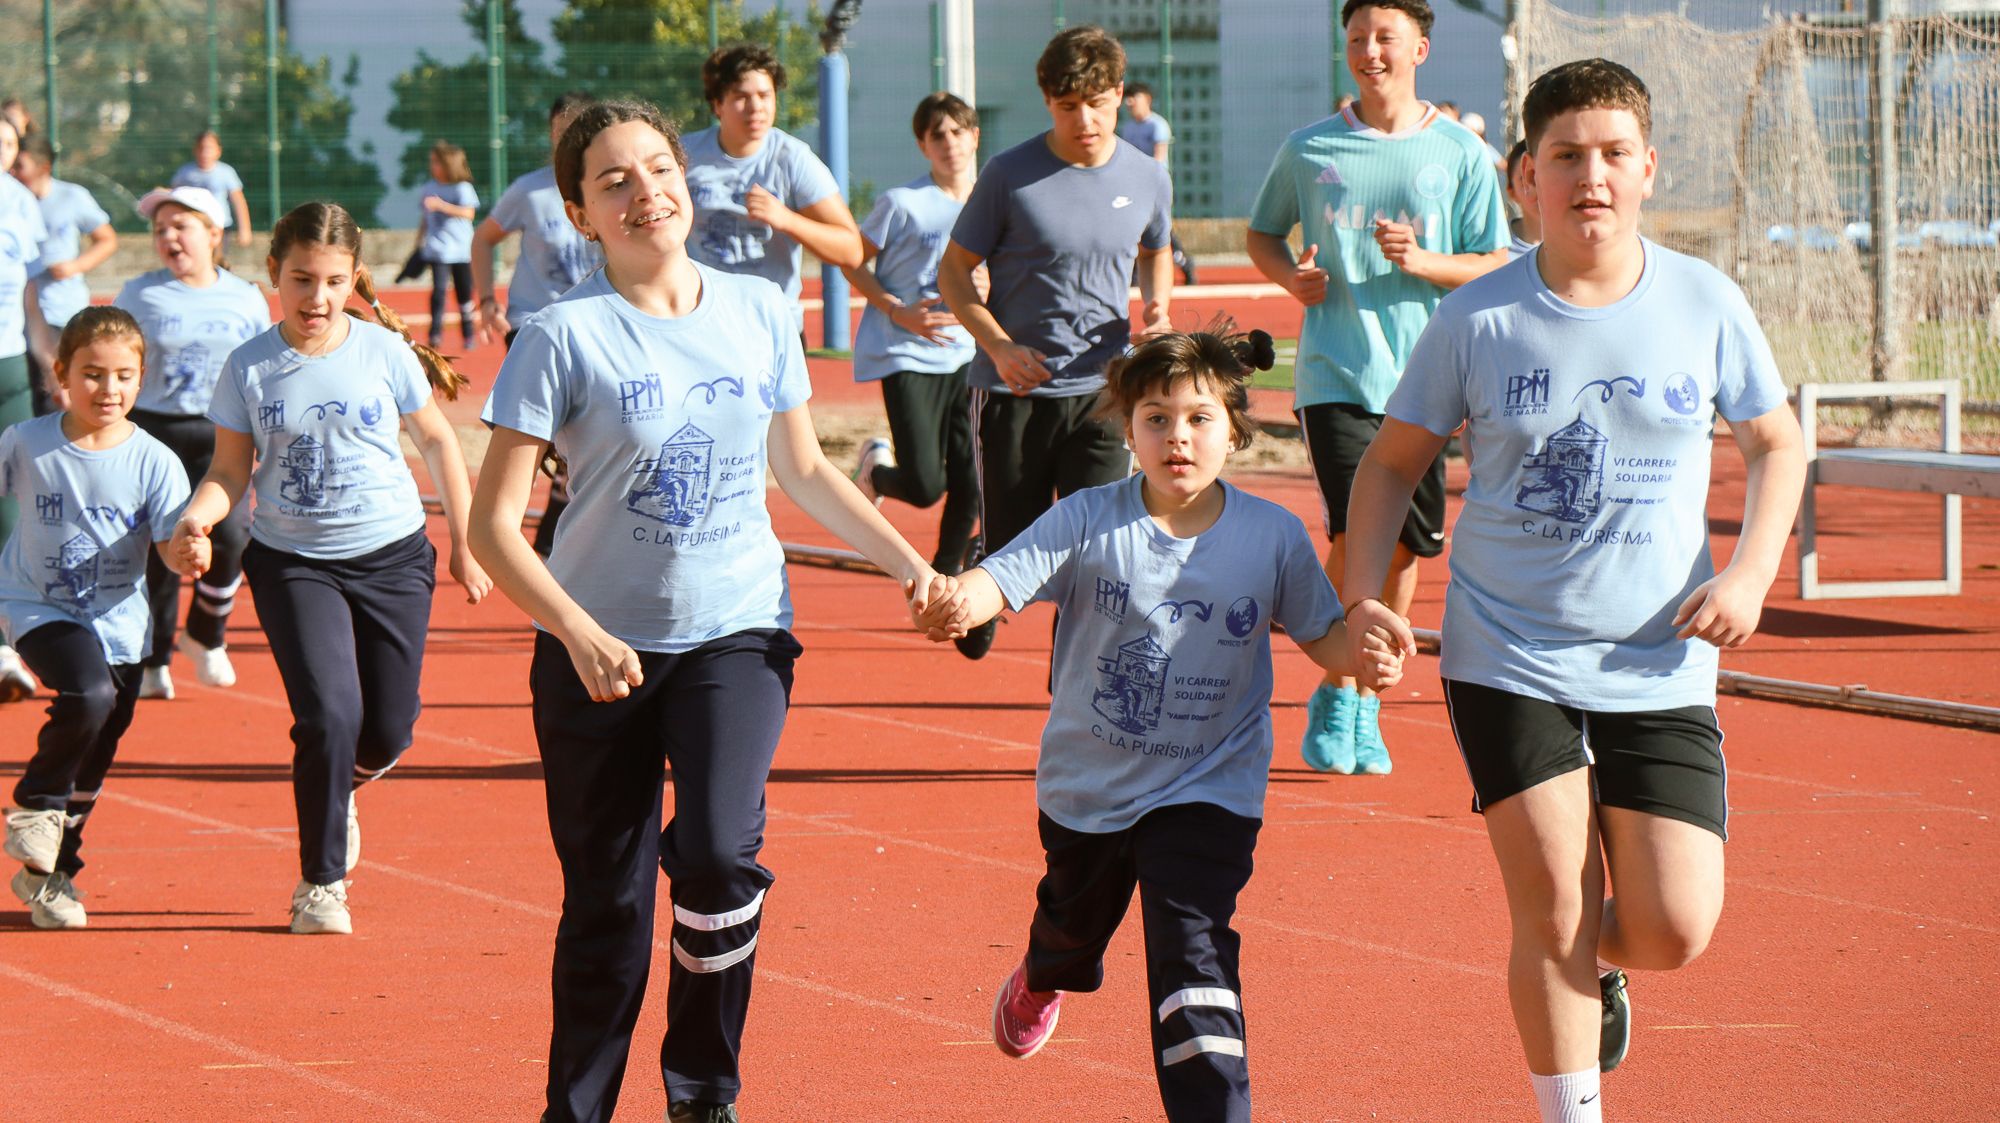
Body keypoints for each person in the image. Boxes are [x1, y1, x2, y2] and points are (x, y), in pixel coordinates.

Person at [1342, 59, 1805, 1122]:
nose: (1586, 176)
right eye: (1562, 158)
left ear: (1644, 169)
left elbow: (1775, 442)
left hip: (1660, 655)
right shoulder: (1479, 318)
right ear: (1523, 181)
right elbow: (1388, 463)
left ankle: (1603, 966)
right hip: (1507, 648)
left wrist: (1747, 571)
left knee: (1672, 926)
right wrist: (1364, 595)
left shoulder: (1704, 299)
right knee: (1551, 902)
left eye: (1608, 155)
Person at [468, 100, 949, 1123]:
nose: (647, 192)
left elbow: (805, 470)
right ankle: (578, 1108)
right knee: (607, 904)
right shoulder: (559, 336)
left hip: (736, 629)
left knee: (722, 854)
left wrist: (912, 565)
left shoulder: (758, 309)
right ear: (578, 215)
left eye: (658, 169)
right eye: (614, 182)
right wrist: (576, 630)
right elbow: (493, 529)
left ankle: (701, 1087)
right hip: (595, 652)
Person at [914, 325, 1404, 1122]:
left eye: (1199, 417)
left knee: (1196, 949)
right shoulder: (1086, 520)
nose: (1178, 435)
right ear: (1128, 428)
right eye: (1156, 417)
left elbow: (1328, 637)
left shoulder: (1271, 535)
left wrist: (1365, 652)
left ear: (1236, 430)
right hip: (1089, 787)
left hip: (1211, 785)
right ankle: (1042, 974)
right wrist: (952, 600)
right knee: (1071, 932)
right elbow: (995, 583)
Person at [168, 201, 491, 936]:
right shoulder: (249, 365)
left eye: (333, 281)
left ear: (354, 279)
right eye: (301, 279)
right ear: (272, 276)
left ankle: (338, 783)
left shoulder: (383, 352)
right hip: (293, 562)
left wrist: (468, 541)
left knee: (388, 731)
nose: (316, 298)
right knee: (327, 716)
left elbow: (440, 443)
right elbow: (228, 468)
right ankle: (320, 884)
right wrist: (200, 515)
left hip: (393, 555)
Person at [1245, 0, 1507, 774]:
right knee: (1353, 535)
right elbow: (1264, 234)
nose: (1370, 51)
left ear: (1419, 47)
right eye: (1357, 38)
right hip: (1336, 373)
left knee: (1407, 548)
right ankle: (1341, 684)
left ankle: (1358, 692)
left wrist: (1425, 262)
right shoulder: (1310, 147)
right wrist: (1290, 276)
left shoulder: (1459, 152)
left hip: (1428, 380)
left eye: (1385, 38)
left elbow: (1494, 260)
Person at [937, 24, 1175, 660]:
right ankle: (985, 559)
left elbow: (1157, 251)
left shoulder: (1148, 176)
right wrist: (997, 344)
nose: (1085, 120)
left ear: (1119, 95)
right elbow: (954, 272)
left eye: (1096, 103)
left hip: (1103, 394)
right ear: (1049, 103)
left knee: (1102, 553)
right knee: (1021, 550)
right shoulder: (1009, 175)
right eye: (1068, 107)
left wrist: (1158, 306)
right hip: (1014, 392)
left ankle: (1073, 687)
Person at [0, 307, 194, 929]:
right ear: (60, 375)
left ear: (141, 380)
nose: (107, 390)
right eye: (91, 374)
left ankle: (50, 875)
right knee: (85, 695)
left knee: (98, 750)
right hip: (38, 605)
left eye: (122, 376)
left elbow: (169, 546)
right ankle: (33, 804)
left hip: (120, 624)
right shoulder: (27, 442)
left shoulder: (155, 461)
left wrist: (189, 550)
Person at [115, 186, 271, 700]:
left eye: (180, 226)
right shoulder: (139, 294)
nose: (168, 237)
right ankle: (155, 656)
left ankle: (206, 634)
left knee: (230, 538)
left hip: (220, 435)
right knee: (162, 549)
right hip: (154, 433)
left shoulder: (245, 297)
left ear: (213, 233)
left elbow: (262, 368)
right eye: (160, 229)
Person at [842, 91, 982, 576]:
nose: (949, 143)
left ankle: (947, 577)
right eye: (937, 135)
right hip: (908, 353)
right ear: (923, 145)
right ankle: (876, 472)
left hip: (970, 355)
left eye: (957, 131)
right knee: (925, 486)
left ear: (974, 137)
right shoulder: (902, 203)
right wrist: (897, 310)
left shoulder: (993, 202)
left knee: (972, 479)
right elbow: (850, 259)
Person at [472, 92, 601, 558]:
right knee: (548, 444)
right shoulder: (530, 191)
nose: (571, 139)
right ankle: (524, 544)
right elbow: (484, 239)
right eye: (561, 131)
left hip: (595, 330)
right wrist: (486, 298)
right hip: (534, 328)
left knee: (583, 445)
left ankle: (562, 543)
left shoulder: (609, 188)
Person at [684, 42, 863, 334]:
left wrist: (787, 219)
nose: (756, 107)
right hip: (704, 325)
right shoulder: (684, 157)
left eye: (764, 95)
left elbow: (850, 250)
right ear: (718, 104)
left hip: (774, 327)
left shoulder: (793, 159)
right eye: (741, 97)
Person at [0, 115, 52, 700]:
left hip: (7, 359)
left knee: (9, 498)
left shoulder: (18, 203)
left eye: (9, 144)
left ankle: (6, 649)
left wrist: (45, 357)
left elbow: (29, 291)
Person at [14, 133, 118, 415]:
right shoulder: (10, 200)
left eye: (20, 165)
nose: (13, 171)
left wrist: (75, 266)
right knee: (26, 394)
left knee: (60, 394)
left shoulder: (72, 197)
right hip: (17, 316)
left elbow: (107, 239)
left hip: (62, 311)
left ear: (43, 167)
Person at [1119, 83, 1197, 285]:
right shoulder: (1128, 127)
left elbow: (1158, 158)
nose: (1130, 103)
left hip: (1154, 187)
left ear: (1147, 100)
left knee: (1158, 229)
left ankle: (1184, 262)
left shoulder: (1157, 125)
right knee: (1136, 228)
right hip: (1135, 187)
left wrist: (1149, 185)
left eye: (1134, 97)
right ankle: (1136, 275)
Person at [412, 141, 480, 354]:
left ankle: (468, 333)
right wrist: (418, 242)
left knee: (464, 294)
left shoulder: (463, 188)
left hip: (461, 250)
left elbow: (469, 213)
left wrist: (442, 205)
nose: (432, 166)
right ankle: (435, 333)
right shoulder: (429, 188)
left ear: (448, 164)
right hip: (438, 249)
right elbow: (425, 219)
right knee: (438, 292)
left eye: (436, 162)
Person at [171, 131, 254, 247]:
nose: (205, 153)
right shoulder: (185, 173)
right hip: (194, 225)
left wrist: (245, 229)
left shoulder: (226, 172)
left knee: (217, 261)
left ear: (218, 151)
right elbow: (173, 196)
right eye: (201, 148)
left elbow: (238, 201)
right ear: (195, 150)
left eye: (209, 148)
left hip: (220, 226)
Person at [1504, 139, 1541, 257]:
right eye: (1526, 179)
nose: (1539, 188)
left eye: (1546, 176)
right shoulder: (1496, 249)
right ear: (1512, 193)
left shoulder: (1583, 245)